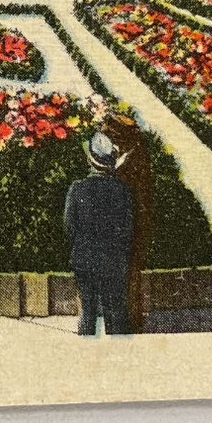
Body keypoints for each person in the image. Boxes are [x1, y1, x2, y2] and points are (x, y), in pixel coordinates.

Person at [64, 132, 135, 336]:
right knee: (117, 311)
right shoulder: (122, 190)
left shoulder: (76, 189)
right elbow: (128, 231)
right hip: (114, 260)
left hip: (84, 259)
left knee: (88, 311)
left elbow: (69, 227)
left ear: (90, 160)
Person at [101, 112, 153, 333]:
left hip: (128, 226)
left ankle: (128, 322)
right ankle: (122, 320)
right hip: (119, 225)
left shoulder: (135, 157)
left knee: (128, 275)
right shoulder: (125, 156)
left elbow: (140, 196)